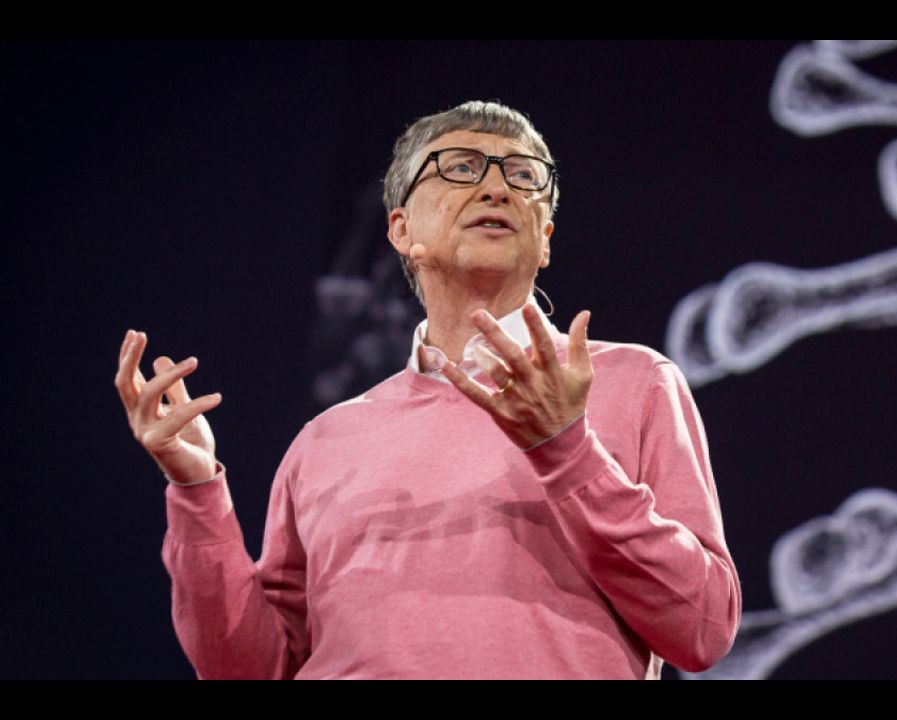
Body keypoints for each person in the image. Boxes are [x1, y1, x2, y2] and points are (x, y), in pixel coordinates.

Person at [115, 101, 740, 679]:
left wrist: (566, 449)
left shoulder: (633, 382)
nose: (496, 187)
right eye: (461, 168)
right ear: (400, 229)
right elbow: (250, 670)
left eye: (524, 176)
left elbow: (702, 629)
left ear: (545, 239)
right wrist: (197, 493)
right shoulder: (325, 439)